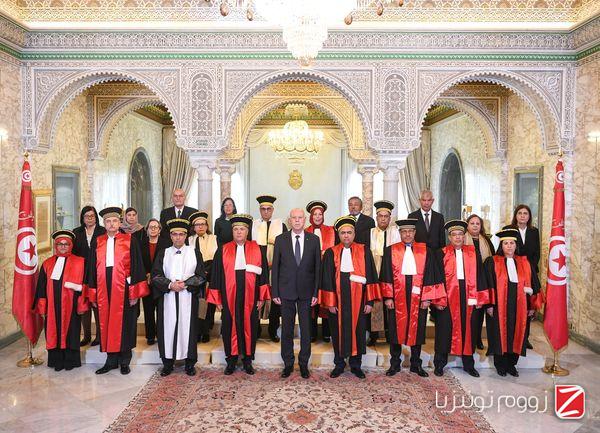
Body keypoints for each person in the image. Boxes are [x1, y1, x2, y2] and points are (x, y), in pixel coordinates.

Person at [86, 206, 150, 375]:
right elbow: (91, 269)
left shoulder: (129, 240)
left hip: (124, 289)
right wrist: (93, 293)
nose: (112, 224)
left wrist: (135, 293)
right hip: (103, 289)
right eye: (108, 221)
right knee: (106, 324)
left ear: (119, 223)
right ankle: (111, 360)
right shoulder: (97, 242)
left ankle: (124, 361)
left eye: (115, 220)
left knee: (126, 324)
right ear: (104, 224)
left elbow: (137, 267)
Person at [207, 214, 271, 375]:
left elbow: (263, 275)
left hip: (251, 295)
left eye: (242, 229)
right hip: (229, 296)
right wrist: (217, 298)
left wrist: (261, 297)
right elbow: (216, 275)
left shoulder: (257, 249)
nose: (239, 232)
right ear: (232, 231)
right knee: (229, 326)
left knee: (250, 326)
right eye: (235, 229)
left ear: (247, 231)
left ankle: (248, 360)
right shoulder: (223, 249)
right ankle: (231, 359)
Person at [379, 218, 443, 377]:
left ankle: (416, 364)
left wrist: (427, 297)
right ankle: (395, 364)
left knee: (418, 330)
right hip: (396, 297)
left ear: (415, 232)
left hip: (419, 298)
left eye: (410, 231)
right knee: (394, 330)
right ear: (400, 233)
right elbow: (386, 273)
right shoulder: (390, 250)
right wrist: (388, 297)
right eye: (404, 231)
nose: (407, 234)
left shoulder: (425, 251)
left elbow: (430, 275)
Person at [319, 216, 381, 379]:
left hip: (358, 300)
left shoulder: (364, 250)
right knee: (337, 332)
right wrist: (330, 302)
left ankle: (356, 365)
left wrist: (369, 301)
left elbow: (371, 276)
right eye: (343, 233)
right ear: (339, 235)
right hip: (337, 301)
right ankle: (339, 364)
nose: (346, 235)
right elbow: (327, 279)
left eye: (349, 232)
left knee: (358, 331)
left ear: (354, 234)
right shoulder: (331, 253)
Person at [431, 220, 489, 378]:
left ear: (464, 236)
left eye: (460, 234)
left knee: (470, 331)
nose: (457, 237)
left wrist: (480, 299)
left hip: (469, 298)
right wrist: (438, 300)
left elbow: (480, 276)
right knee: (444, 331)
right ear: (449, 237)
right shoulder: (441, 253)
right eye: (454, 235)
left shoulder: (473, 252)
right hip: (447, 299)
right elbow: (436, 277)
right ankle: (439, 363)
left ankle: (469, 364)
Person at [484, 228, 543, 377]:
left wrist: (532, 305)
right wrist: (489, 305)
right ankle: (500, 365)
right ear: (501, 245)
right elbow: (488, 284)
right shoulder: (492, 262)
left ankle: (511, 364)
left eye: (512, 243)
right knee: (499, 335)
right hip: (499, 306)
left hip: (520, 306)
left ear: (516, 245)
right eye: (506, 243)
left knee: (517, 334)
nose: (509, 246)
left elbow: (534, 284)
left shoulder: (525, 262)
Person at [151, 219, 206, 377]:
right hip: (167, 297)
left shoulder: (194, 252)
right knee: (167, 328)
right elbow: (155, 275)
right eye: (174, 234)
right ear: (170, 236)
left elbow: (201, 276)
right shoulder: (163, 253)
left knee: (188, 329)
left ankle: (189, 363)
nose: (178, 237)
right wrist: (170, 285)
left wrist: (186, 284)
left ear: (186, 235)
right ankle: (167, 363)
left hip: (188, 297)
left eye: (181, 234)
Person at [271, 208, 321, 379]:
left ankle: (304, 364)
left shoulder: (314, 240)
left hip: (307, 292)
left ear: (305, 220)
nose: (297, 220)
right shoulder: (280, 239)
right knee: (287, 330)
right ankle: (288, 363)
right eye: (294, 218)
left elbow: (317, 268)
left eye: (300, 218)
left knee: (306, 330)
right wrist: (275, 292)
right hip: (286, 291)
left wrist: (316, 292)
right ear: (290, 220)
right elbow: (275, 267)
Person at [33, 230, 88, 371]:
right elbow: (41, 288)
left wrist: (81, 303)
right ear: (55, 245)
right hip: (53, 306)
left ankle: (70, 360)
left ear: (71, 245)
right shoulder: (47, 264)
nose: (63, 246)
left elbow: (86, 284)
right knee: (53, 332)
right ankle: (56, 360)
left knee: (72, 333)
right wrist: (42, 307)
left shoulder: (81, 262)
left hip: (72, 305)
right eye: (60, 244)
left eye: (66, 244)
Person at [251, 194, 287, 342]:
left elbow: (285, 248)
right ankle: (256, 329)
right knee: (257, 297)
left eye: (268, 209)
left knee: (275, 299)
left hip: (275, 269)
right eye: (263, 209)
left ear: (273, 210)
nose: (266, 211)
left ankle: (273, 330)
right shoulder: (253, 225)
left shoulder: (281, 225)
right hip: (257, 268)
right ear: (260, 210)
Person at [364, 200, 400, 346]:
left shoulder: (396, 233)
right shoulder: (369, 233)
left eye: (386, 216)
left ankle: (391, 335)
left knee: (390, 306)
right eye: (381, 216)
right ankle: (373, 335)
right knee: (375, 303)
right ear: (376, 217)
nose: (383, 219)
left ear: (390, 218)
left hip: (391, 275)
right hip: (375, 274)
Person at [72, 205, 105, 347]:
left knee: (97, 304)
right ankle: (86, 336)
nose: (90, 218)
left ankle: (99, 336)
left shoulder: (103, 231)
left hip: (98, 272)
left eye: (92, 216)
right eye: (87, 216)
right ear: (82, 218)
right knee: (84, 304)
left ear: (96, 217)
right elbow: (73, 254)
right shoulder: (76, 232)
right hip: (81, 273)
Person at [510, 204, 541, 350]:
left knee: (528, 306)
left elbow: (537, 253)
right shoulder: (509, 230)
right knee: (514, 305)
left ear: (529, 216)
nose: (522, 216)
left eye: (525, 213)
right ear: (516, 215)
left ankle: (525, 337)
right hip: (513, 272)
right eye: (520, 213)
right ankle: (512, 336)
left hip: (529, 273)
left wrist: (528, 269)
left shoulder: (534, 231)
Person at [305, 200, 337, 343]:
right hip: (310, 272)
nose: (317, 217)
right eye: (315, 214)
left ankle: (326, 332)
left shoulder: (331, 230)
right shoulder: (305, 231)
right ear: (311, 216)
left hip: (327, 271)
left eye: (320, 214)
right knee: (311, 302)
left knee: (326, 299)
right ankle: (312, 333)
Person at [464, 214, 494, 350]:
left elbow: (492, 260)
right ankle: (468, 338)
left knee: (480, 311)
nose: (475, 226)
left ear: (481, 226)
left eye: (477, 223)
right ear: (467, 225)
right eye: (472, 223)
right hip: (467, 280)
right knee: (469, 312)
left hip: (483, 281)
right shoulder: (462, 239)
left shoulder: (486, 240)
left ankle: (477, 339)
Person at [188, 211, 219, 343]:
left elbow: (217, 258)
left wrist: (207, 272)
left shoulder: (214, 238)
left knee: (209, 305)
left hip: (211, 274)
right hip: (194, 275)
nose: (200, 227)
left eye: (203, 224)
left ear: (207, 226)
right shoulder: (189, 240)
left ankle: (206, 331)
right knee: (196, 304)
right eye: (197, 224)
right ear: (194, 227)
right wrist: (199, 272)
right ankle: (197, 331)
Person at [140, 219, 169, 345]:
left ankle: (161, 334)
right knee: (148, 309)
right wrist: (146, 274)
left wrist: (155, 275)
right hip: (146, 281)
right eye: (150, 227)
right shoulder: (141, 244)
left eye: (156, 227)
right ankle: (150, 336)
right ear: (146, 230)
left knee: (161, 309)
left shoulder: (166, 244)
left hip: (161, 281)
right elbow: (139, 262)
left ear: (159, 230)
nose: (153, 229)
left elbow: (168, 263)